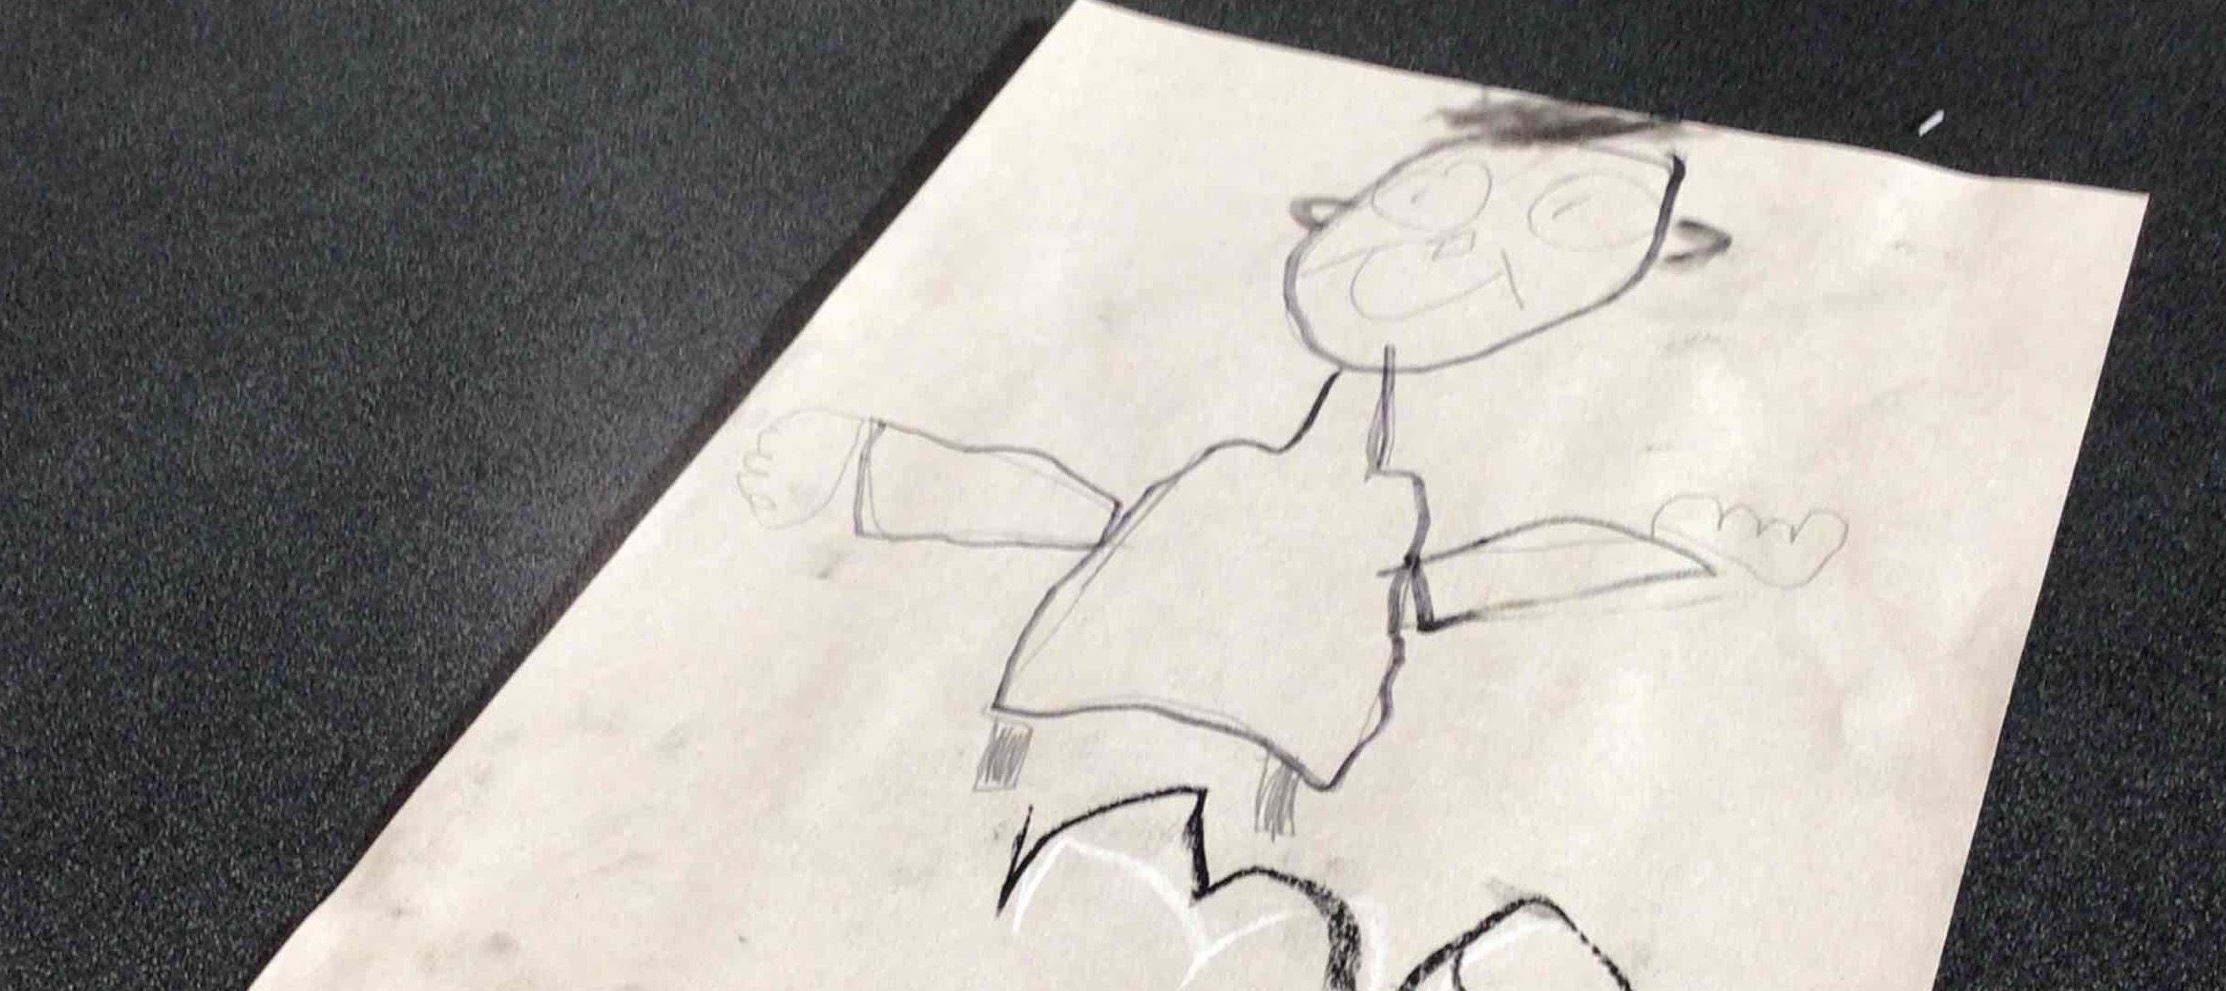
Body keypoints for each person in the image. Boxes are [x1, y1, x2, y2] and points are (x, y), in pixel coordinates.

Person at [739, 102, 1846, 834]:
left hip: (1232, 790)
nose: (1458, 250)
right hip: (1054, 743)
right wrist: (872, 465)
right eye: (1433, 205)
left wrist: (1677, 559)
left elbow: (1488, 575)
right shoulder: (1230, 474)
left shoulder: (1369, 523)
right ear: (1331, 215)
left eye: (1567, 232)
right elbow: (1057, 507)